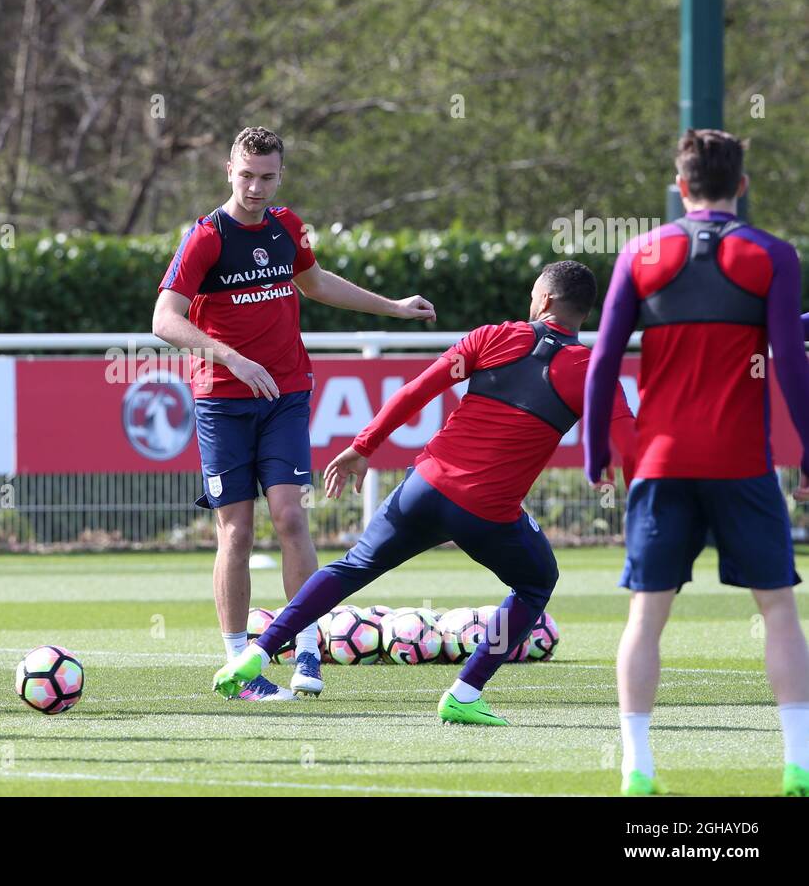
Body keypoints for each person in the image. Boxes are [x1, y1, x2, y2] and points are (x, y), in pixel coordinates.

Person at [215, 261, 637, 728]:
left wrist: (363, 445)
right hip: (486, 514)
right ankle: (465, 692)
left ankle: (256, 653)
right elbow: (628, 441)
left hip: (425, 487)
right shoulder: (593, 371)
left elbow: (417, 390)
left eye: (533, 293)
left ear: (546, 301)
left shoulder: (493, 336)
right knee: (537, 582)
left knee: (353, 567)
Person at [154, 126, 435, 700]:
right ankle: (241, 667)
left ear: (280, 174)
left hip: (285, 393)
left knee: (290, 516)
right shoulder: (205, 237)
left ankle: (307, 651)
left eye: (267, 176)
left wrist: (393, 308)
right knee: (235, 530)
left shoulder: (288, 225)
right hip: (222, 402)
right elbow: (165, 318)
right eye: (246, 175)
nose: (255, 187)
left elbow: (315, 283)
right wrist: (233, 359)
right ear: (228, 170)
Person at [584, 129, 809, 797]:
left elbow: (601, 363)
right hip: (742, 462)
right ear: (741, 185)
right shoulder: (772, 254)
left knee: (646, 617)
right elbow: (791, 365)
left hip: (659, 464)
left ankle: (637, 767)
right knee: (777, 611)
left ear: (681, 186)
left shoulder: (640, 252)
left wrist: (598, 451)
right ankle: (797, 763)